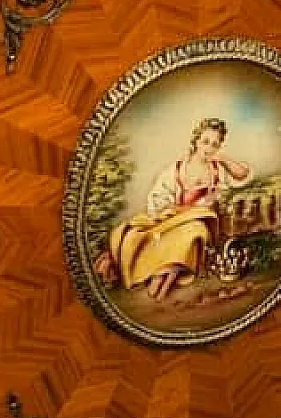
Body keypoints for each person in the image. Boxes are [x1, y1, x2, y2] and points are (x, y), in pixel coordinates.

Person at [104, 118, 251, 301]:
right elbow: (158, 199)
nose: (209, 148)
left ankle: (167, 277)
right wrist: (175, 210)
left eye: (215, 144)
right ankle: (160, 275)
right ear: (196, 141)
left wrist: (223, 158)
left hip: (199, 220)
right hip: (175, 217)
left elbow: (243, 174)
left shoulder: (217, 169)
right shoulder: (177, 169)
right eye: (205, 142)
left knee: (193, 232)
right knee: (138, 234)